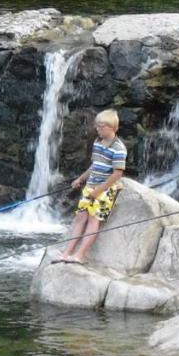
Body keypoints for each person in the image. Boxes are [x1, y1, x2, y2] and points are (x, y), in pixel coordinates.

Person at [56, 109, 127, 264]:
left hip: (105, 190)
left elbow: (117, 174)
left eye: (101, 126)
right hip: (90, 187)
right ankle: (67, 252)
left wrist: (99, 190)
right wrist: (80, 179)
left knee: (94, 220)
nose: (97, 129)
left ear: (113, 127)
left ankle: (80, 255)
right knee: (81, 217)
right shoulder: (97, 142)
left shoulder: (119, 148)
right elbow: (95, 166)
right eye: (97, 126)